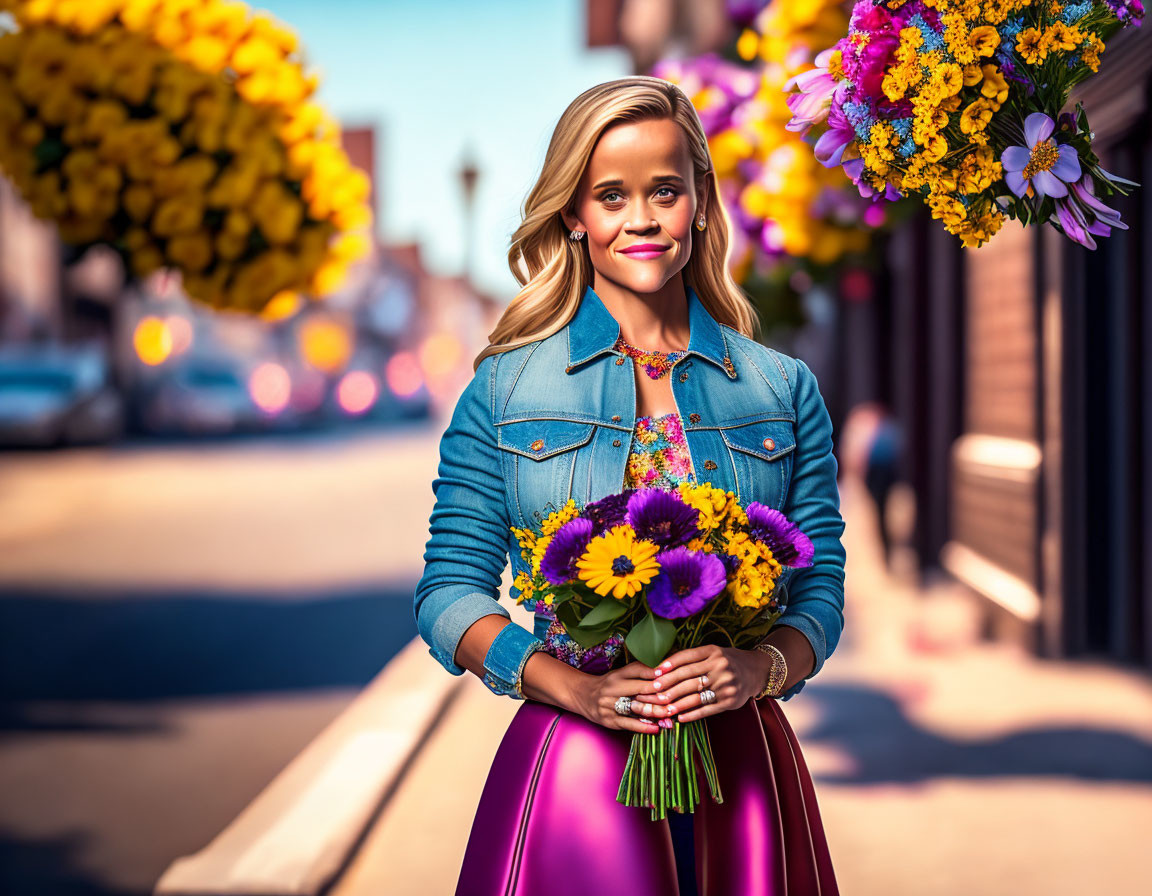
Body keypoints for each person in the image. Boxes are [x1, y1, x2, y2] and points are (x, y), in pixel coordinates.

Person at [413, 76, 846, 896]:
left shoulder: (782, 390)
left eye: (666, 191)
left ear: (701, 205)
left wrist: (760, 669)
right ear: (574, 213)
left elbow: (819, 589)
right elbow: (446, 594)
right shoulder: (503, 391)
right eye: (611, 195)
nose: (641, 219)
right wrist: (568, 685)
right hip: (573, 766)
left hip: (741, 764)